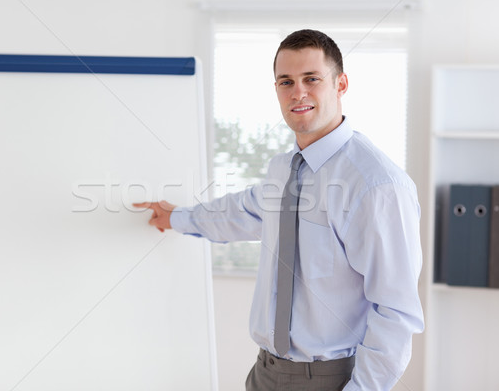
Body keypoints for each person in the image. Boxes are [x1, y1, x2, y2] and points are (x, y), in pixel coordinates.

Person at [133, 29, 424, 391]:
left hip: (332, 379)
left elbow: (395, 311)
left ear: (341, 83)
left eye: (311, 79)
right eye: (286, 81)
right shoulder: (284, 168)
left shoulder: (377, 186)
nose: (297, 92)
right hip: (264, 373)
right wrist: (175, 217)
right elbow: (242, 212)